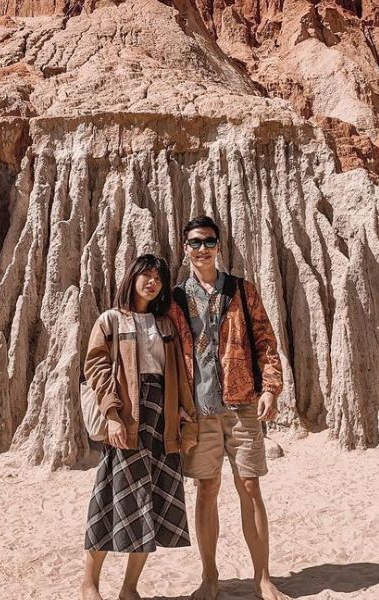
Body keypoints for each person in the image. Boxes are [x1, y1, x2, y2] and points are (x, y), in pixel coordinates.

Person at [168, 216, 289, 600]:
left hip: (241, 405)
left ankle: (263, 578)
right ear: (185, 249)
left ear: (219, 246)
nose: (201, 249)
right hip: (199, 410)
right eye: (194, 243)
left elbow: (266, 340)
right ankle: (210, 578)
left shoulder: (241, 290)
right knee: (206, 489)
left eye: (208, 241)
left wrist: (270, 387)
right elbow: (166, 355)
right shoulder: (175, 299)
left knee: (250, 486)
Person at [80, 253, 199, 600]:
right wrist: (113, 414)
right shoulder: (111, 320)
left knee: (152, 504)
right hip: (129, 418)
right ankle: (89, 584)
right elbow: (97, 370)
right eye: (145, 275)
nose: (151, 282)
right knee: (109, 500)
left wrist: (180, 410)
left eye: (158, 278)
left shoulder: (165, 325)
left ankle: (129, 588)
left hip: (161, 421)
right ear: (131, 278)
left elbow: (174, 371)